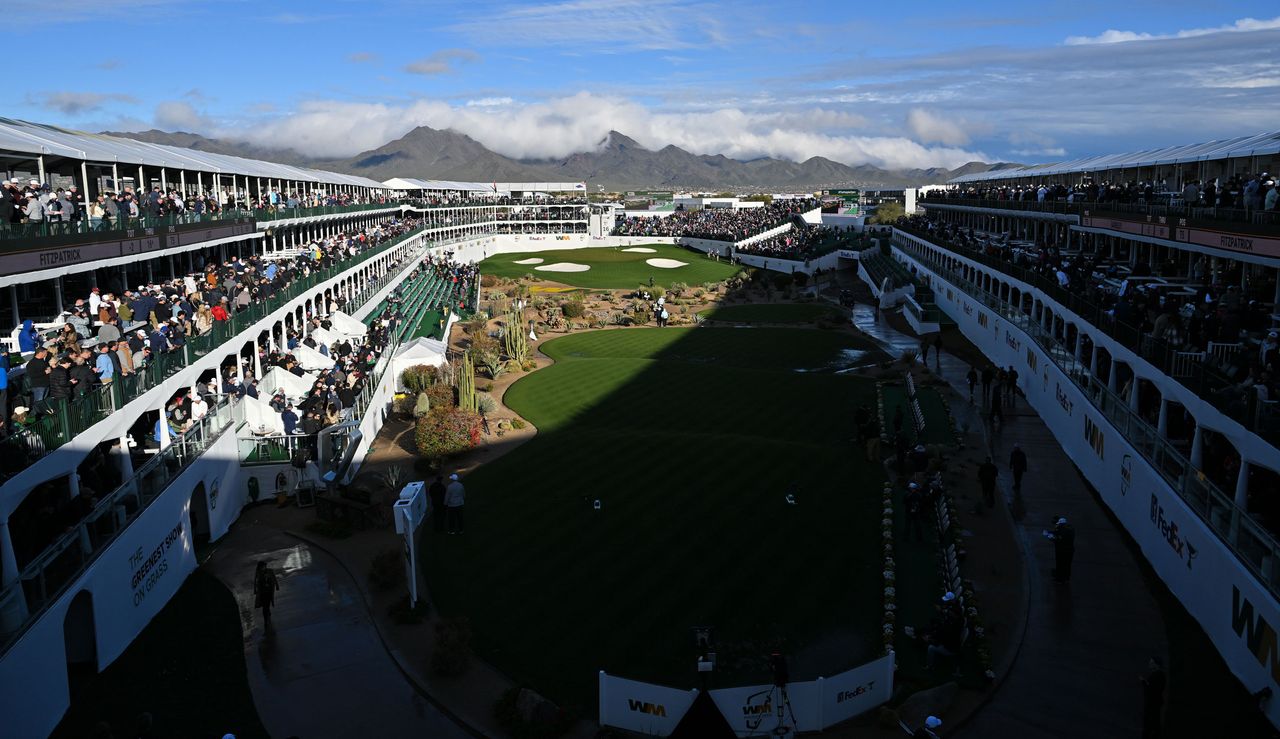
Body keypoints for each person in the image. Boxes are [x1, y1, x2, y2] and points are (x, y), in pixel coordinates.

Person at [1141, 656, 1166, 739]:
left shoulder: (1157, 675)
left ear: (1156, 665)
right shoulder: (1159, 675)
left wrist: (1144, 683)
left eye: (1152, 663)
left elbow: (1152, 689)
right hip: (1155, 702)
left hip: (1152, 703)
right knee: (1154, 721)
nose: (1150, 664)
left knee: (1150, 722)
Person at [1045, 516, 1075, 583]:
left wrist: (1049, 536)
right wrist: (1050, 533)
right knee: (1066, 564)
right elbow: (1056, 533)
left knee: (1061, 563)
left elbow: (1059, 539)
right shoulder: (1067, 528)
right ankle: (1065, 577)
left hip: (1063, 550)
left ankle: (1061, 578)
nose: (1056, 525)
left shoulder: (1063, 530)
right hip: (1068, 550)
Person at [253, 560, 279, 628]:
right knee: (265, 606)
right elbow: (255, 581)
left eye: (264, 566)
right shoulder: (258, 573)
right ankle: (265, 620)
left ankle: (267, 613)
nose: (263, 568)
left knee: (267, 604)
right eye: (262, 567)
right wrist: (255, 590)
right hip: (262, 592)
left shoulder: (269, 571)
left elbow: (274, 578)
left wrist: (277, 585)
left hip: (269, 591)